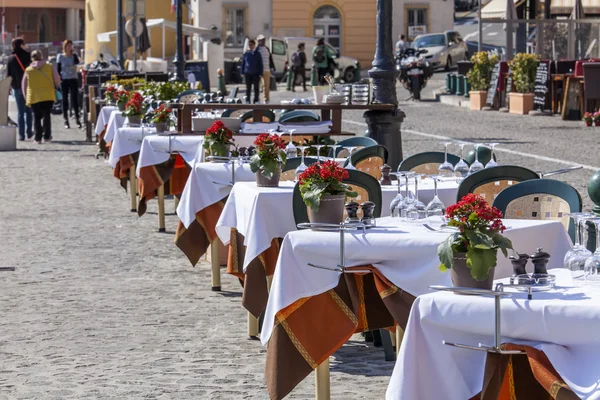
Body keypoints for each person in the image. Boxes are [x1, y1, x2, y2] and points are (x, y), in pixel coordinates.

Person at [22, 50, 61, 144]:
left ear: (32, 58)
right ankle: (47, 136)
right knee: (47, 115)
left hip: (34, 96)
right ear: (41, 56)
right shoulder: (49, 66)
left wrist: (26, 96)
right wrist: (56, 87)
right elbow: (57, 79)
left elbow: (24, 84)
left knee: (36, 117)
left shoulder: (28, 70)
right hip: (48, 95)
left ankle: (37, 138)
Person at [6, 38, 32, 141]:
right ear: (21, 45)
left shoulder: (11, 58)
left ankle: (21, 135)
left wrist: (9, 87)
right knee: (29, 110)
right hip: (28, 87)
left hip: (17, 87)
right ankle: (29, 131)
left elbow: (8, 75)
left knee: (20, 112)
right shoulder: (27, 56)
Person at [56, 39, 81, 129]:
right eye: (68, 45)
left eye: (71, 45)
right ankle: (66, 119)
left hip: (73, 79)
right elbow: (58, 69)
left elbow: (78, 64)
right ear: (65, 47)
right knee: (65, 100)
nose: (69, 47)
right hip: (64, 80)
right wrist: (58, 80)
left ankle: (77, 118)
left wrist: (74, 55)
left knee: (74, 99)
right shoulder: (60, 57)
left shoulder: (74, 56)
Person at [240, 39, 263, 104]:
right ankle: (248, 100)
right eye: (249, 45)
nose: (250, 46)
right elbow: (243, 63)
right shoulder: (246, 54)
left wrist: (261, 73)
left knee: (256, 87)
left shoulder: (257, 54)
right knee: (248, 88)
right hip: (248, 73)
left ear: (254, 45)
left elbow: (260, 64)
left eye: (251, 45)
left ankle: (256, 100)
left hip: (256, 73)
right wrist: (242, 72)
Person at [256, 34, 275, 103]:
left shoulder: (267, 49)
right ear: (258, 41)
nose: (263, 41)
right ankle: (257, 99)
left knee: (266, 86)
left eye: (264, 40)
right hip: (258, 70)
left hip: (267, 69)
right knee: (257, 86)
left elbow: (270, 59)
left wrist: (272, 67)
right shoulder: (257, 50)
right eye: (261, 40)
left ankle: (266, 99)